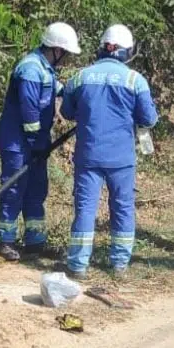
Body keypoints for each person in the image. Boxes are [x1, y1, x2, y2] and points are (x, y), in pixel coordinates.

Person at [59, 24, 158, 279]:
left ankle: (78, 265)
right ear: (127, 51)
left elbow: (67, 112)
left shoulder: (80, 77)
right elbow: (148, 119)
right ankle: (119, 264)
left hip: (88, 155)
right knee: (123, 208)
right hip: (121, 158)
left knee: (85, 209)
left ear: (102, 48)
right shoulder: (135, 80)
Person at [0, 22, 81, 262]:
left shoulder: (46, 70)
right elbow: (30, 111)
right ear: (56, 49)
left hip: (37, 143)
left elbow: (59, 90)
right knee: (13, 189)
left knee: (36, 189)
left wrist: (80, 94)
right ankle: (6, 241)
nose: (67, 59)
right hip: (17, 143)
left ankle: (35, 242)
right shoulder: (31, 69)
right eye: (66, 54)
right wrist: (35, 142)